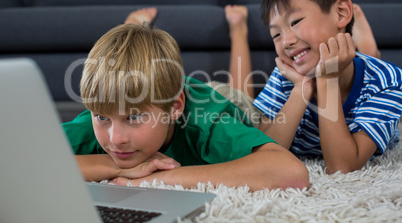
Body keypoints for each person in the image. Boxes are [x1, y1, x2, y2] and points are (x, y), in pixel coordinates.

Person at [62, 10, 309, 191]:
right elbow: (26, 162)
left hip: (221, 98)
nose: (115, 139)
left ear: (175, 108)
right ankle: (135, 31)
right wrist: (114, 167)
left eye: (134, 117)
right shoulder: (106, 109)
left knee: (242, 95)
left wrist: (153, 180)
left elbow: (291, 172)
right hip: (166, 90)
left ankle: (238, 30)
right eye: (102, 117)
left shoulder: (207, 123)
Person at [248, 0, 402, 174]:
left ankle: (368, 51)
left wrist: (327, 79)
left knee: (368, 64)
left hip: (365, 80)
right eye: (276, 34)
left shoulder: (388, 80)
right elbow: (263, 155)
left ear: (340, 13)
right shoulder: (286, 76)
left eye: (295, 22)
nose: (286, 42)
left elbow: (342, 166)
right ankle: (364, 49)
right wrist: (301, 89)